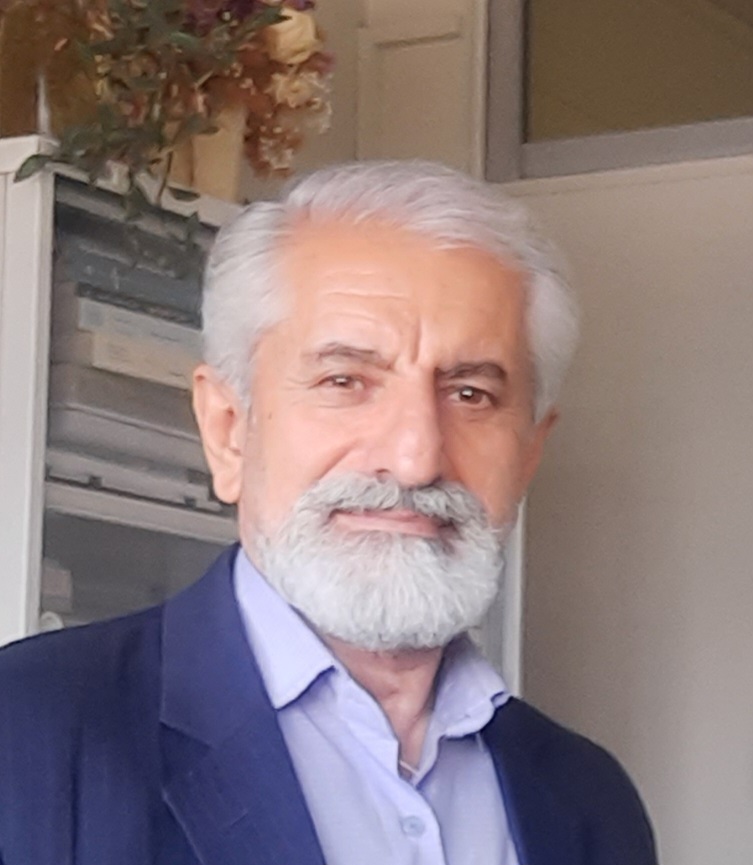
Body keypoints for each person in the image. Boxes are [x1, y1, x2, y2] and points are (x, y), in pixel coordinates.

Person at [0, 160, 657, 865]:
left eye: (470, 394)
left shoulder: (590, 801)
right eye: (345, 381)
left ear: (528, 453)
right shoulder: (25, 734)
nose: (415, 458)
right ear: (228, 429)